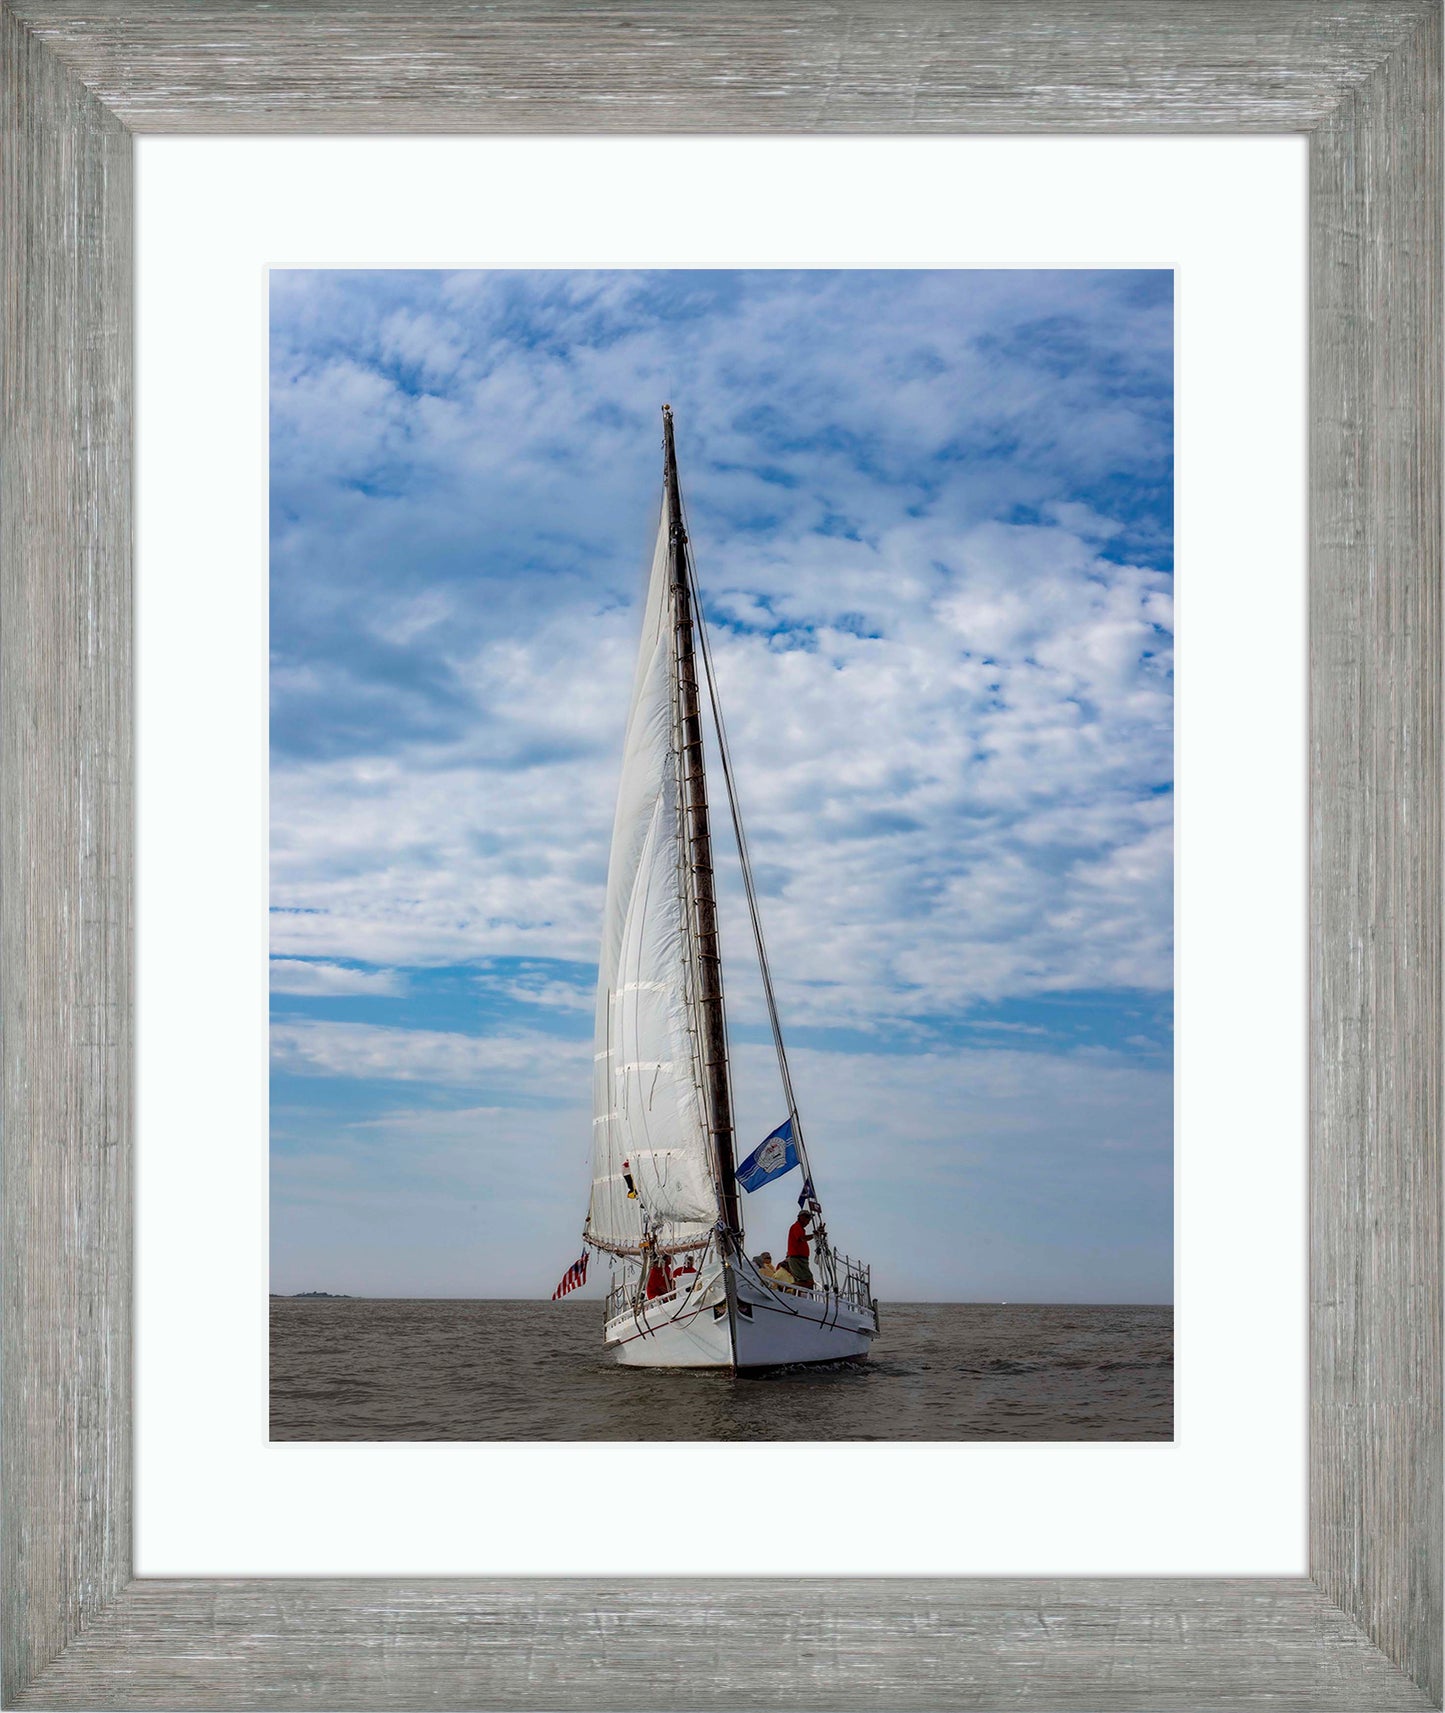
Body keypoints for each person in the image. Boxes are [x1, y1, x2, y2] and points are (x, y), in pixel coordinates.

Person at [784, 1210, 815, 1288]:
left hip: (801, 1259)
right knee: (807, 1282)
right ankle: (787, 1288)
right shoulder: (796, 1227)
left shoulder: (800, 1228)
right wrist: (815, 1235)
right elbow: (802, 1238)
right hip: (797, 1259)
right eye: (807, 1217)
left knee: (808, 1282)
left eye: (810, 1218)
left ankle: (789, 1289)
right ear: (800, 1217)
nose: (808, 1220)